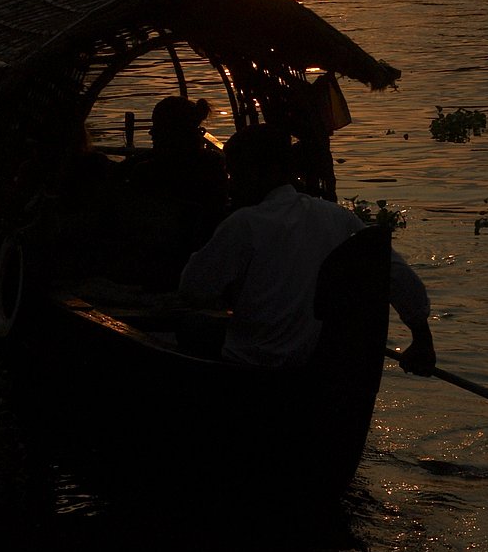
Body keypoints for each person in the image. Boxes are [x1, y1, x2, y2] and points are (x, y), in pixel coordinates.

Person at [177, 123, 436, 373]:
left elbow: (193, 289)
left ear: (268, 171)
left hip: (253, 367)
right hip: (322, 369)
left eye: (238, 174)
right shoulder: (338, 217)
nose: (231, 185)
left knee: (191, 327)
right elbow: (397, 275)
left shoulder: (243, 224)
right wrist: (422, 340)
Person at [128, 95, 229, 265]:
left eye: (157, 128)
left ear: (169, 132)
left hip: (162, 260)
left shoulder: (147, 172)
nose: (151, 133)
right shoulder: (214, 165)